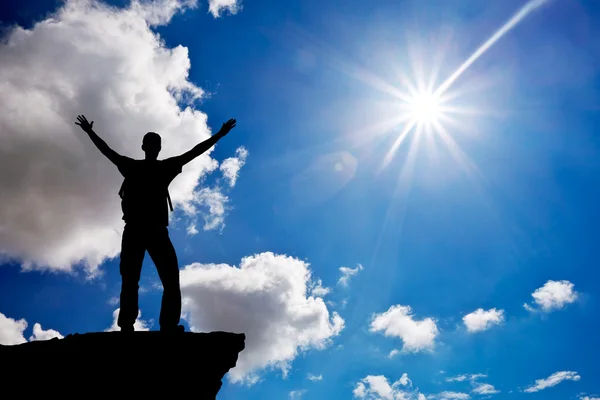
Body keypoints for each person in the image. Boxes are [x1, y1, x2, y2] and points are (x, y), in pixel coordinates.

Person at [75, 114, 237, 332]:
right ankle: (154, 325)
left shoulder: (135, 166)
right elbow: (195, 151)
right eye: (153, 144)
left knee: (140, 279)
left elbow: (107, 151)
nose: (153, 147)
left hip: (141, 229)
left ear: (147, 147)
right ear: (153, 147)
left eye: (154, 144)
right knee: (155, 278)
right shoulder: (158, 167)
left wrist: (90, 132)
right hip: (148, 230)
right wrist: (219, 134)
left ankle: (134, 325)